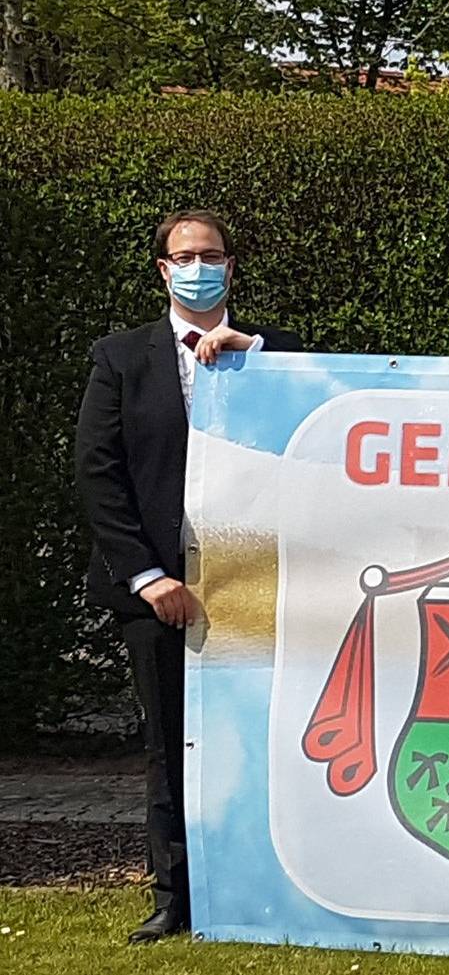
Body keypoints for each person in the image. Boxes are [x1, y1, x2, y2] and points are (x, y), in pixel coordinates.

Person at [73, 210, 302, 944]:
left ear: (231, 267)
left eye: (211, 253)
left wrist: (257, 356)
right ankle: (177, 896)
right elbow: (97, 472)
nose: (198, 264)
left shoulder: (276, 353)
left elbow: (324, 417)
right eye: (184, 255)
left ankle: (259, 884)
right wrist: (145, 575)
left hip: (255, 582)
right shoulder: (121, 357)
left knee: (258, 736)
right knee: (169, 743)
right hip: (160, 591)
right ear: (163, 270)